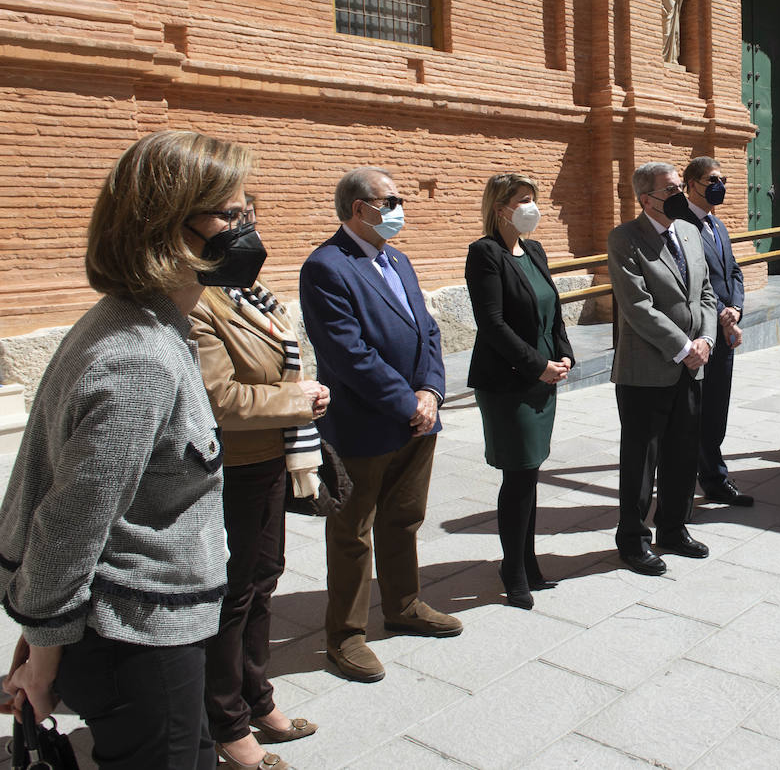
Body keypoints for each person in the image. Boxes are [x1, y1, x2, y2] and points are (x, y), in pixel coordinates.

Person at [0, 131, 254, 770]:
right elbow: (71, 518)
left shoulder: (150, 322)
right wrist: (44, 647)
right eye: (230, 215)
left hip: (154, 632)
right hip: (135, 640)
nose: (246, 230)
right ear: (169, 228)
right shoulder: (137, 353)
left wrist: (39, 630)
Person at [299, 167, 459, 685]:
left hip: (418, 419)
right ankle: (344, 637)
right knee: (352, 531)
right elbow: (348, 353)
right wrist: (405, 403)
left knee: (404, 518)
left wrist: (431, 393)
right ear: (357, 209)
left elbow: (429, 331)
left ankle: (404, 604)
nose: (398, 208)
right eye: (389, 201)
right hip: (365, 425)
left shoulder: (399, 259)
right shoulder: (327, 267)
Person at [189, 197, 325, 769]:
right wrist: (298, 399)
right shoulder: (198, 303)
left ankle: (257, 696)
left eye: (247, 213)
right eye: (229, 215)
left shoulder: (249, 292)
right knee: (233, 594)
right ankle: (226, 723)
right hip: (234, 467)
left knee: (264, 581)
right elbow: (218, 399)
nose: (245, 227)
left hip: (273, 457)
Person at [465, 173, 575, 609]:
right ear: (501, 209)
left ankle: (526, 560)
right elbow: (492, 324)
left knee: (530, 473)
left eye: (533, 199)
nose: (532, 208)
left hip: (544, 380)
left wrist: (564, 355)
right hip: (510, 383)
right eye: (523, 201)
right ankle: (513, 569)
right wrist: (537, 366)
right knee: (518, 473)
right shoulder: (485, 254)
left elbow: (553, 310)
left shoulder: (534, 250)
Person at [607, 161, 716, 575]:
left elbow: (705, 293)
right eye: (669, 191)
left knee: (682, 452)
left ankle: (673, 527)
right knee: (641, 459)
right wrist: (683, 346)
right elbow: (637, 307)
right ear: (645, 199)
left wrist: (705, 340)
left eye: (678, 189)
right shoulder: (625, 239)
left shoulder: (688, 232)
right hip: (646, 370)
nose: (678, 197)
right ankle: (633, 539)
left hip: (693, 365)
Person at [676, 155, 753, 507]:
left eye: (721, 179)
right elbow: (688, 282)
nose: (718, 186)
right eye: (711, 179)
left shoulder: (717, 225)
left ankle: (709, 475)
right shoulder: (678, 225)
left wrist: (735, 308)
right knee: (695, 412)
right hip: (699, 333)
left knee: (716, 407)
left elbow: (733, 271)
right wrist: (719, 314)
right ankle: (709, 478)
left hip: (725, 329)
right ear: (690, 183)